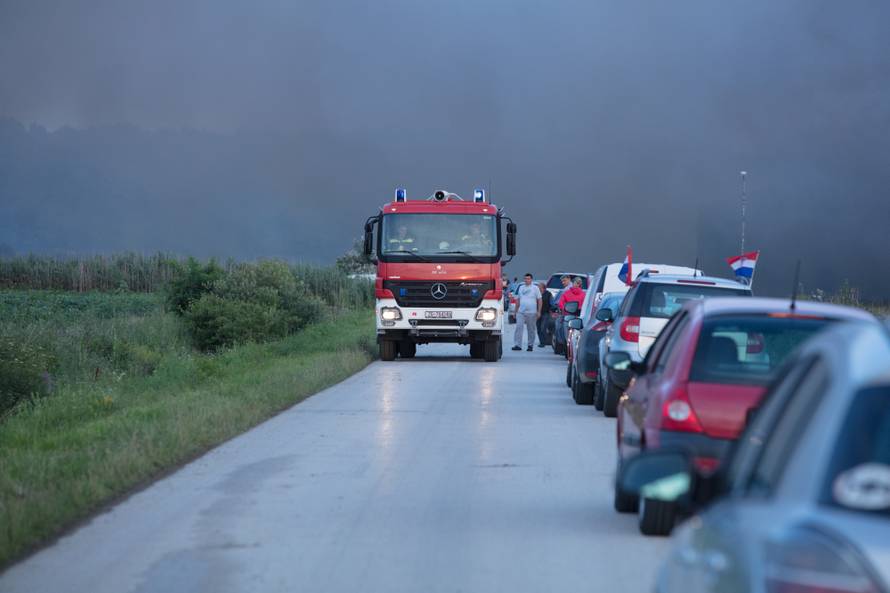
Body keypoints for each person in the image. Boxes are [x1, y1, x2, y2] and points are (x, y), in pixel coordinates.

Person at [512, 273, 542, 352]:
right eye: (525, 279)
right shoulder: (521, 287)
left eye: (528, 279)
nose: (526, 280)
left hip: (532, 312)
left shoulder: (535, 288)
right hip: (521, 312)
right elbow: (518, 300)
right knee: (518, 327)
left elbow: (539, 300)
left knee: (531, 329)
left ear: (531, 279)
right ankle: (517, 345)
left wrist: (539, 311)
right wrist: (515, 311)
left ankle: (530, 345)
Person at [536, 281, 553, 347]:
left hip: (546, 313)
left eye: (539, 286)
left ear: (543, 287)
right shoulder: (536, 294)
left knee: (543, 328)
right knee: (538, 328)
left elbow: (552, 303)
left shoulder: (548, 294)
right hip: (537, 313)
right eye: (538, 286)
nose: (538, 287)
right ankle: (541, 342)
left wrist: (552, 310)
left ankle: (545, 342)